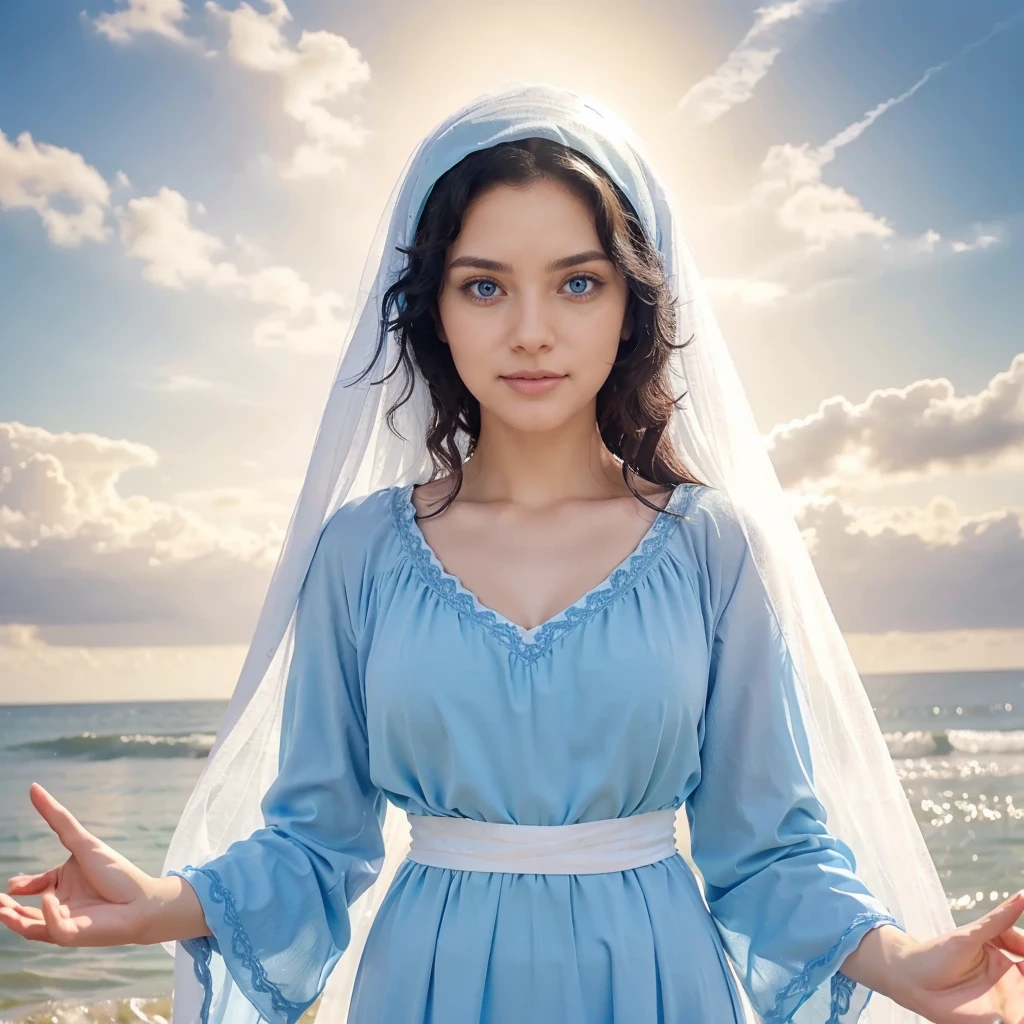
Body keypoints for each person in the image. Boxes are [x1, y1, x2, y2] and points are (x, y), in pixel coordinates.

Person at [3, 82, 1023, 1024]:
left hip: (658, 979)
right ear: (433, 310)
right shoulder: (358, 551)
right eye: (484, 287)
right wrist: (160, 903)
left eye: (576, 283)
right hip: (425, 983)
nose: (531, 330)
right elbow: (316, 845)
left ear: (630, 303)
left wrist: (896, 959)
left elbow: (765, 850)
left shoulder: (711, 546)